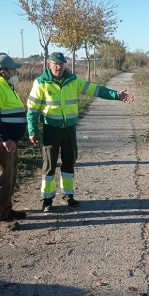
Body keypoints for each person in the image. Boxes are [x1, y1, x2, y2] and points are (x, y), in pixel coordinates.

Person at [27, 52, 134, 212]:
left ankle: (68, 196)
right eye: (56, 64)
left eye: (62, 64)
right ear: (49, 64)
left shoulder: (73, 81)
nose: (59, 67)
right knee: (49, 165)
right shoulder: (41, 82)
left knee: (69, 162)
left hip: (69, 129)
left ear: (65, 65)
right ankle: (47, 200)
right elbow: (32, 109)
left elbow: (95, 90)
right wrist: (32, 130)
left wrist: (117, 95)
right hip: (51, 129)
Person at [0, 54, 27, 221]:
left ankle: (6, 208)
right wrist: (5, 138)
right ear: (3, 71)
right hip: (4, 142)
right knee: (4, 177)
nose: (16, 71)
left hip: (11, 142)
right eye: (13, 69)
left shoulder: (7, 86)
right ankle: (2, 212)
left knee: (10, 176)